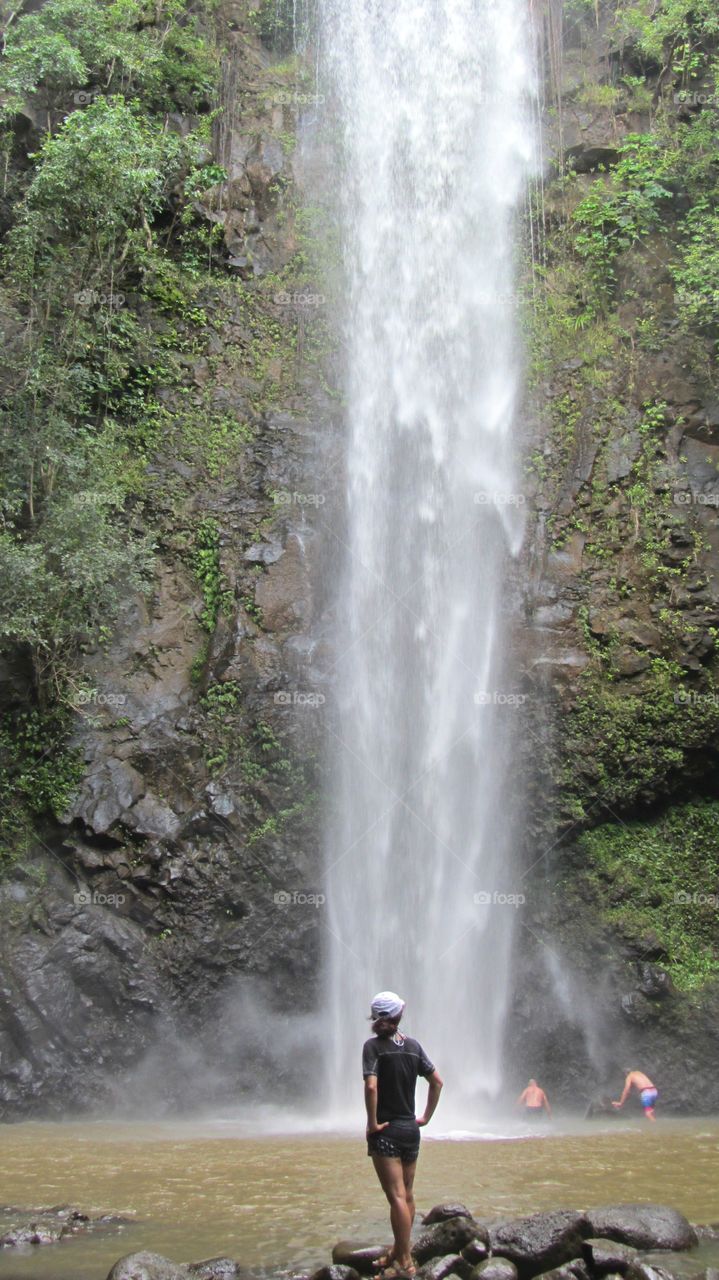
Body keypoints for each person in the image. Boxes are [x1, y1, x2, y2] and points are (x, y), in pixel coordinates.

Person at [363, 991, 443, 1279]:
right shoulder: (413, 1046)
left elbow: (371, 1087)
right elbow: (437, 1082)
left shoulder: (373, 1047)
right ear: (398, 1016)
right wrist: (425, 1117)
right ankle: (398, 1251)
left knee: (396, 1196)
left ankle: (406, 1260)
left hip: (387, 1131)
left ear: (376, 1017)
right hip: (411, 1130)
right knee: (406, 1195)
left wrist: (372, 1123)